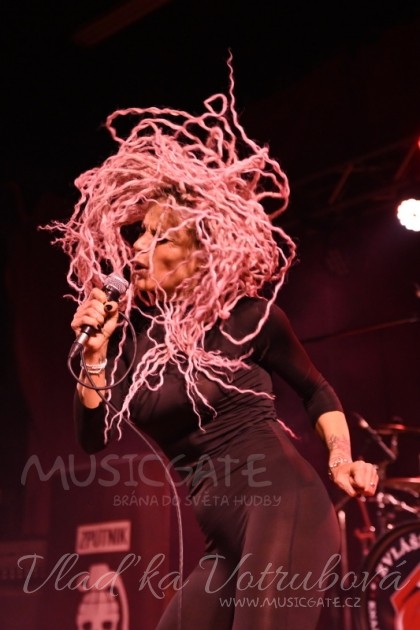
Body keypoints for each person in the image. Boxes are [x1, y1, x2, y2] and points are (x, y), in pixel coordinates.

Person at [48, 60, 378, 629]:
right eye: (140, 234)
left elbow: (316, 390)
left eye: (159, 236)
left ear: (198, 254)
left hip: (285, 507)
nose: (139, 248)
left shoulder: (247, 319)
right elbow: (92, 438)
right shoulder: (127, 343)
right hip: (225, 544)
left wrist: (341, 460)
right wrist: (95, 354)